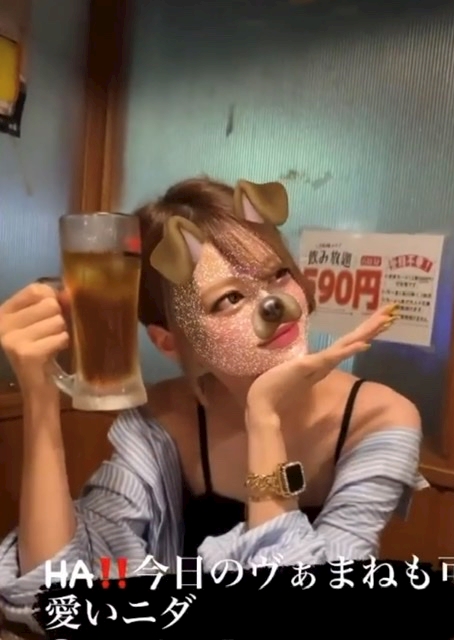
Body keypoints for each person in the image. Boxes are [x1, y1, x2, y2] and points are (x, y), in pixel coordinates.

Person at [0, 177, 427, 628]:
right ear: (169, 343)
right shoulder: (164, 419)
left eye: (278, 274)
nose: (272, 303)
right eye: (229, 298)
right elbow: (55, 591)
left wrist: (264, 419)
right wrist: (40, 392)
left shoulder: (378, 420)